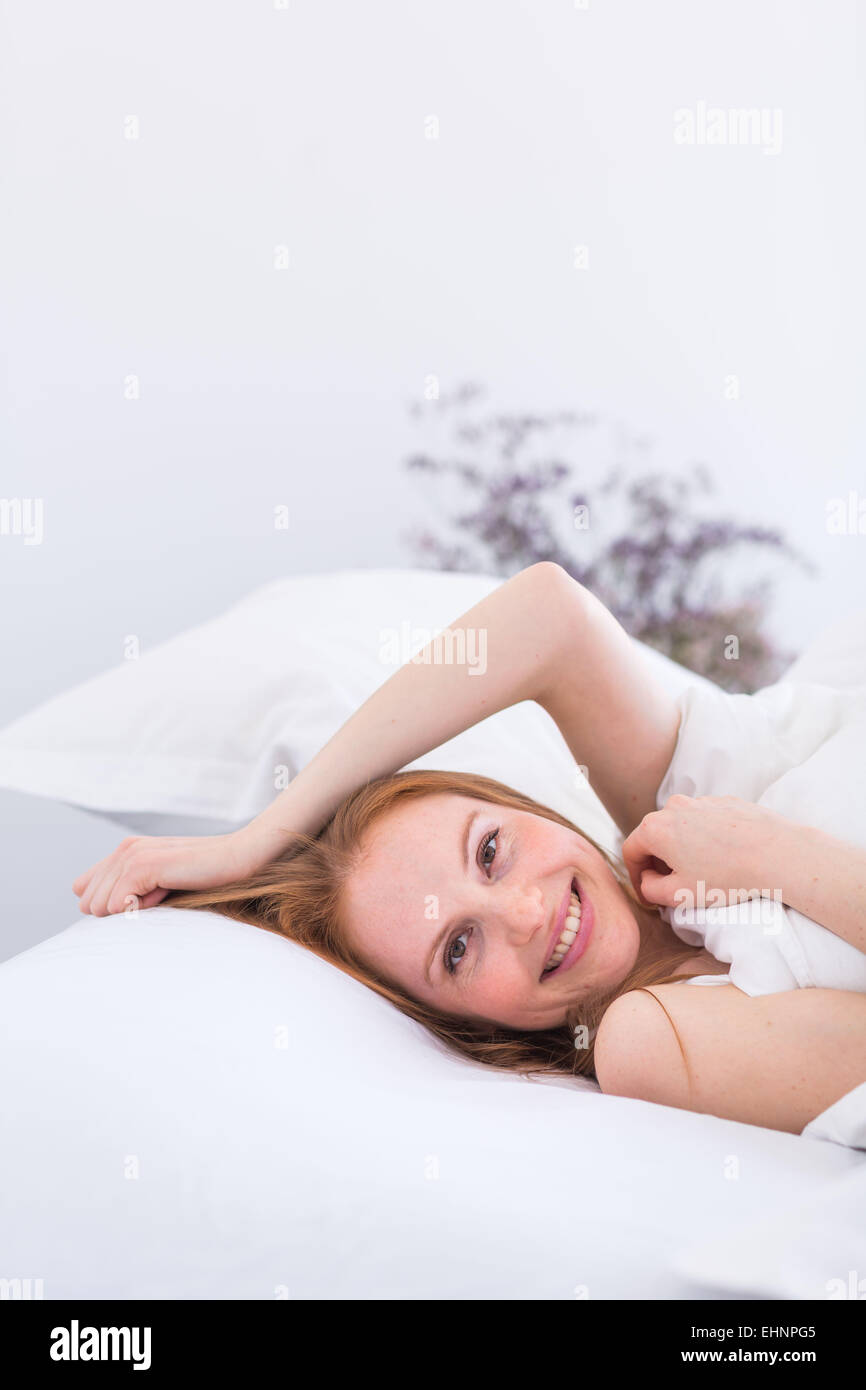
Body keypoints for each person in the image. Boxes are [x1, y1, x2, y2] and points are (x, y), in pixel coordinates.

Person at [72, 562, 866, 1135]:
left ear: (523, 809)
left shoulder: (675, 809)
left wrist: (260, 839)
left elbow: (547, 617)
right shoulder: (655, 1036)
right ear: (469, 1025)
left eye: (491, 852)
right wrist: (777, 859)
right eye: (457, 949)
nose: (523, 912)